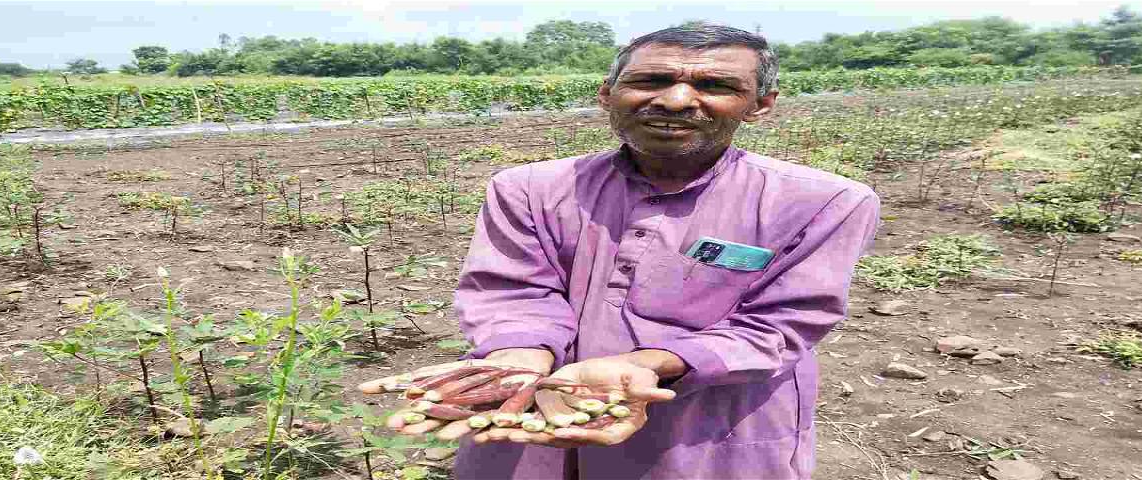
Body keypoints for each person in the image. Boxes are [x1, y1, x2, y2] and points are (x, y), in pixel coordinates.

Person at [359, 23, 881, 479]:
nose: (676, 100)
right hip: (531, 413)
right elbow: (514, 291)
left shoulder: (824, 202)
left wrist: (649, 364)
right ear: (607, 94)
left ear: (760, 105)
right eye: (650, 80)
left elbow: (781, 325)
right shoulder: (529, 188)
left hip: (706, 429)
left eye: (715, 85)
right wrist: (518, 359)